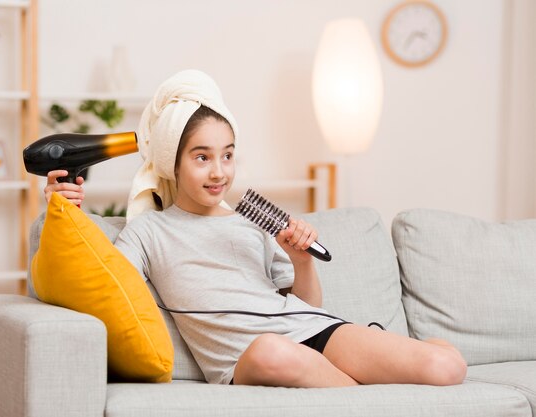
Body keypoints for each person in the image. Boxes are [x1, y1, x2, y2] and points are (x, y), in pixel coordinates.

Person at [43, 69, 467, 388]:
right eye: (202, 157)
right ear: (173, 161)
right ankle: (364, 390)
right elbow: (104, 281)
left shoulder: (252, 224)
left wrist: (302, 261)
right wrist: (65, 211)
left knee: (448, 368)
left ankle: (396, 361)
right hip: (248, 358)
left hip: (312, 328)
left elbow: (308, 307)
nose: (219, 172)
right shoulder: (148, 231)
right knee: (270, 352)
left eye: (227, 155)